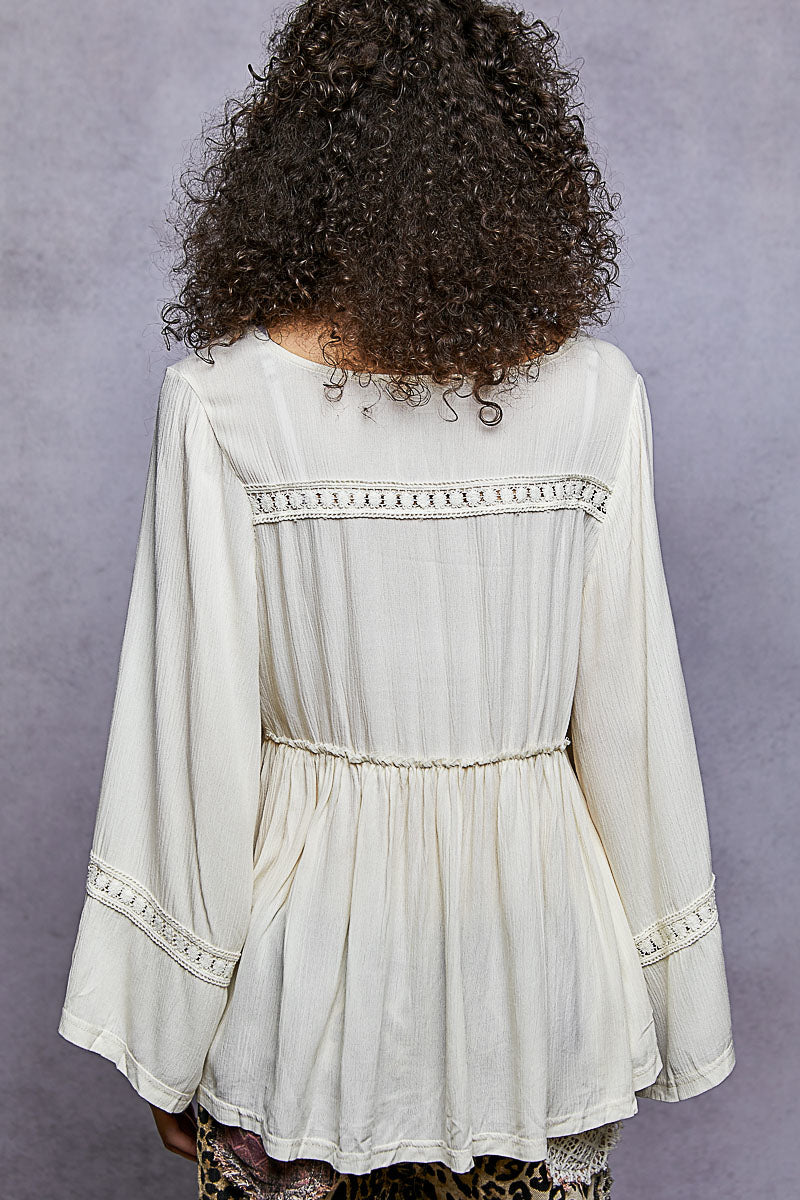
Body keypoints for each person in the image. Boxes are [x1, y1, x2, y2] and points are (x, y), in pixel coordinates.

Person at [57, 2, 735, 1197]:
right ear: (518, 167)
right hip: (537, 984)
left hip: (299, 991)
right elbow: (631, 724)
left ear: (291, 166)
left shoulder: (226, 401)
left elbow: (190, 743)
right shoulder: (593, 394)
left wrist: (162, 1033)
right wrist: (672, 999)